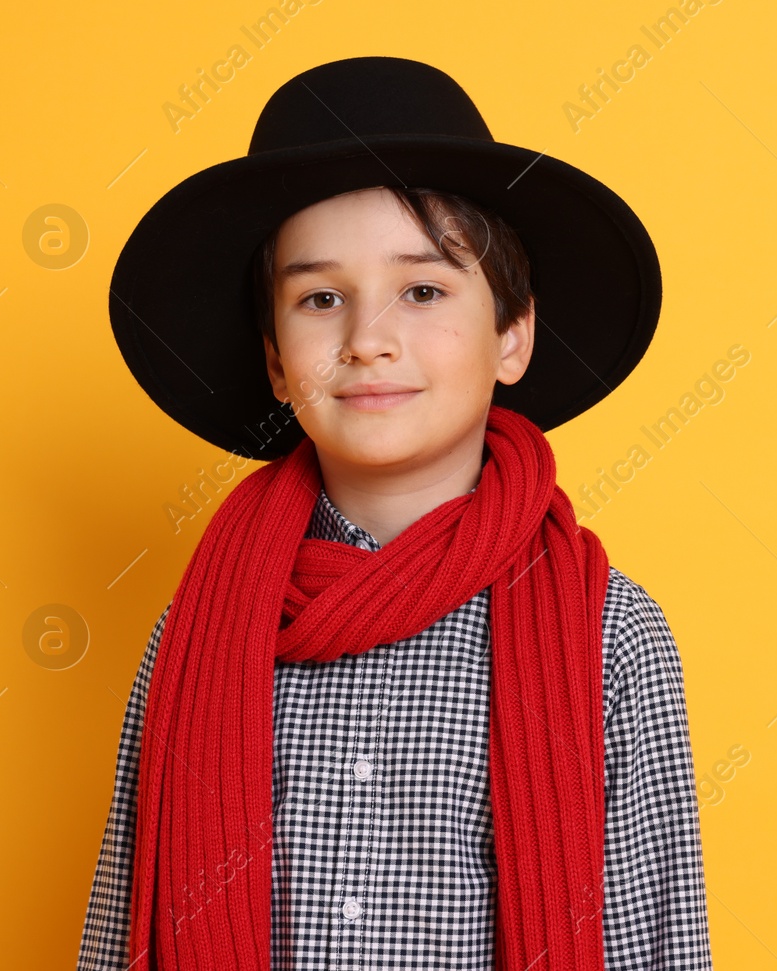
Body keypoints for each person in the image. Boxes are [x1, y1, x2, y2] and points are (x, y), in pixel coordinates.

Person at [77, 56, 711, 970]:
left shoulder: (612, 636)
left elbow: (659, 945)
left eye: (423, 289)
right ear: (275, 361)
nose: (367, 338)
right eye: (320, 297)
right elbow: (120, 925)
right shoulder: (198, 632)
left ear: (513, 335)